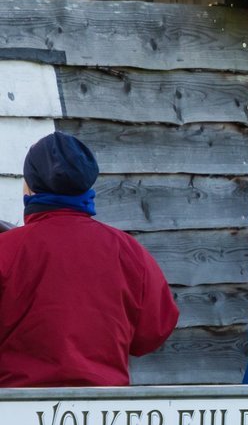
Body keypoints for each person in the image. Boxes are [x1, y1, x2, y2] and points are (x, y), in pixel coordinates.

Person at [0, 131, 177, 386]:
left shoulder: (6, 250)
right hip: (103, 415)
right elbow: (153, 332)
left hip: (15, 413)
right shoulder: (129, 251)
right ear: (87, 186)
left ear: (28, 187)